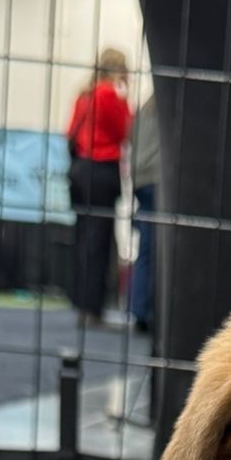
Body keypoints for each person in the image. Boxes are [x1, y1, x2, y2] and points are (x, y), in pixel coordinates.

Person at [66, 49, 132, 323]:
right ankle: (92, 308)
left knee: (84, 238)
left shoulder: (84, 94)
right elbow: (125, 130)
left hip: (80, 170)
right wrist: (125, 97)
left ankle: (81, 301)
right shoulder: (108, 94)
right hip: (102, 170)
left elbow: (69, 131)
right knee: (99, 242)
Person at [128, 95, 159, 336]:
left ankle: (139, 309)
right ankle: (149, 311)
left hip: (141, 179)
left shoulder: (143, 109)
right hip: (158, 179)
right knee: (157, 250)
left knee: (145, 250)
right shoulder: (169, 107)